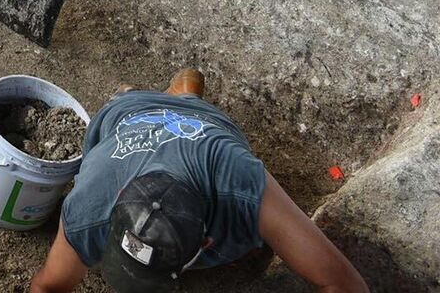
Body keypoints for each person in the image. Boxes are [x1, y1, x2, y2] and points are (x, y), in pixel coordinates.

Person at [30, 69, 367, 293]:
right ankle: (155, 93)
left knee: (249, 245)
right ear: (117, 197)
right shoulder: (89, 204)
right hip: (130, 114)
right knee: (125, 100)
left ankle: (186, 97)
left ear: (206, 242)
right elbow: (48, 286)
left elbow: (344, 284)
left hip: (209, 125)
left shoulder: (238, 179)